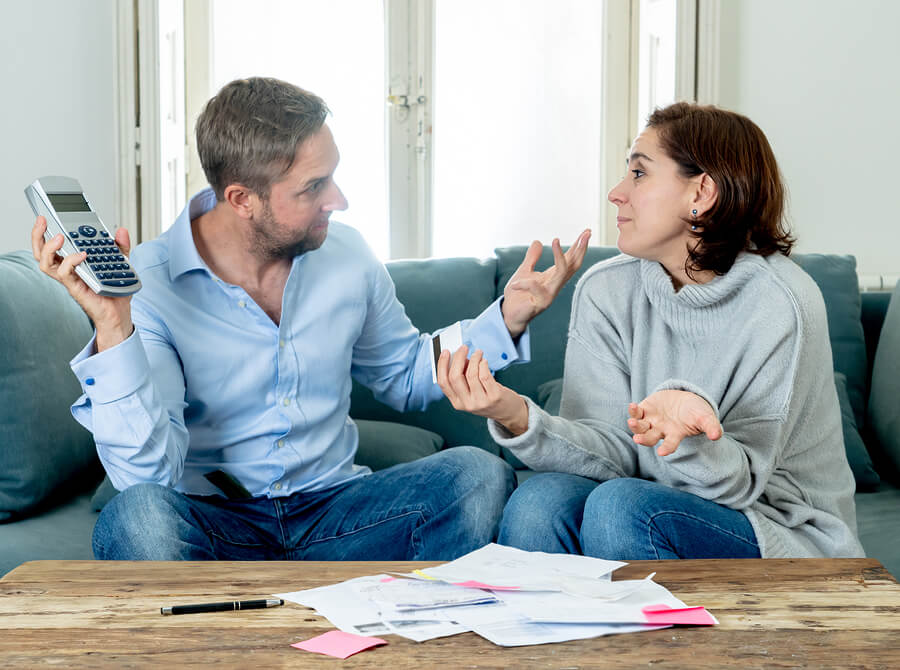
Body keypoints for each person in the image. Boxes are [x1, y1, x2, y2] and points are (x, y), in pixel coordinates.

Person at [32, 76, 590, 561]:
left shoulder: (347, 256)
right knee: (138, 519)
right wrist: (113, 327)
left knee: (476, 475)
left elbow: (403, 371)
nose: (339, 200)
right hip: (216, 524)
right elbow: (147, 479)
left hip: (339, 515)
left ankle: (402, 628)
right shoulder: (148, 284)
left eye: (332, 177)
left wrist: (507, 317)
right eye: (313, 187)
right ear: (241, 198)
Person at [436, 102, 864, 560]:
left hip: (778, 526)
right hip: (648, 500)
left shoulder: (782, 301)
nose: (616, 193)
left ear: (702, 191)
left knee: (623, 508)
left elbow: (740, 483)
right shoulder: (607, 288)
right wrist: (517, 414)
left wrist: (686, 433)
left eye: (639, 174)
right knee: (540, 502)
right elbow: (609, 455)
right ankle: (537, 633)